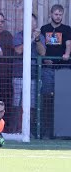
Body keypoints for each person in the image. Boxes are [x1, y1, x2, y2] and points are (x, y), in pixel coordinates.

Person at [40, 4, 71, 138]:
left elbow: (69, 44)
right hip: (48, 68)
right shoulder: (44, 29)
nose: (58, 17)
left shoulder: (67, 29)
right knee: (47, 98)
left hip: (63, 68)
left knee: (62, 98)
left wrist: (67, 54)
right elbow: (40, 46)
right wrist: (44, 58)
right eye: (56, 14)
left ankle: (63, 131)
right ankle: (46, 130)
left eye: (60, 14)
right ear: (51, 14)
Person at [12, 14, 46, 134]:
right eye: (28, 22)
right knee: (17, 103)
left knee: (31, 104)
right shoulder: (18, 35)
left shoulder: (40, 37)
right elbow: (19, 50)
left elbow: (42, 52)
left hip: (34, 75)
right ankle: (16, 129)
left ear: (36, 24)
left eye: (32, 22)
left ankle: (28, 130)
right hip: (18, 74)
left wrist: (36, 40)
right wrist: (31, 38)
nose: (30, 25)